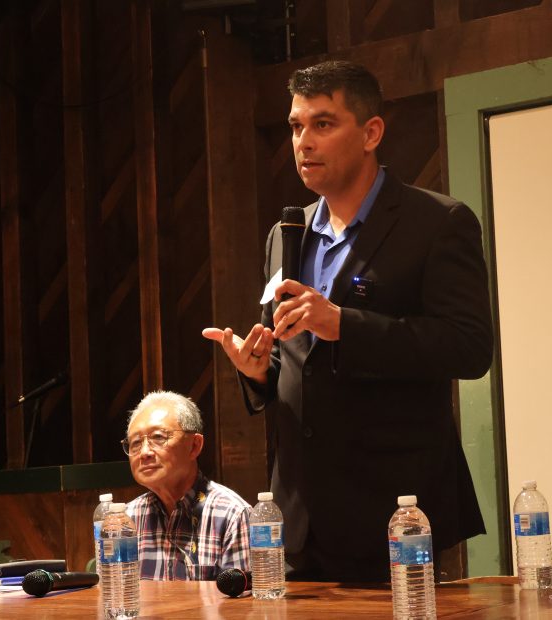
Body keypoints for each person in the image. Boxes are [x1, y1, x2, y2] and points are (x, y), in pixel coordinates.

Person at [203, 60, 492, 581]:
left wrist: (346, 325)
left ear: (371, 132)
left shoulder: (437, 223)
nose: (303, 142)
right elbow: (300, 361)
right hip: (298, 518)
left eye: (323, 124)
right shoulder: (284, 233)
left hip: (395, 515)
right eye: (296, 126)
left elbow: (469, 348)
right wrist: (257, 371)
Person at [123, 390, 250, 580]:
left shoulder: (232, 515)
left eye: (158, 437)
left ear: (194, 446)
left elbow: (243, 606)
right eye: (135, 443)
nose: (145, 452)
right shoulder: (126, 519)